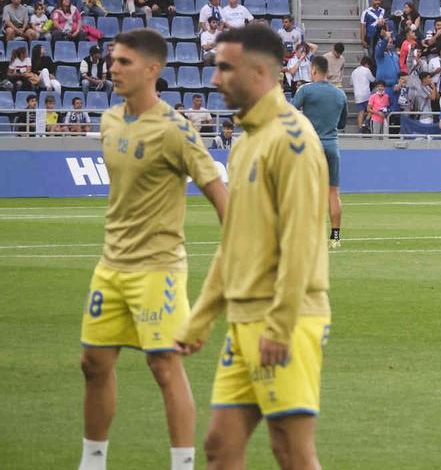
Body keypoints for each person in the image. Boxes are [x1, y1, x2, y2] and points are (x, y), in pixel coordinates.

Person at [174, 24, 331, 470]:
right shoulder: (244, 143)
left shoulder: (292, 140)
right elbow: (234, 243)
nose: (214, 78)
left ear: (260, 71)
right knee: (221, 447)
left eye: (225, 67)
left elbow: (302, 240)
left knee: (291, 452)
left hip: (286, 318)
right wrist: (199, 319)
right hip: (243, 320)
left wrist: (281, 324)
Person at [78, 29, 227, 470]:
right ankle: (93, 461)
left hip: (158, 269)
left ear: (152, 69)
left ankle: (182, 465)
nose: (113, 68)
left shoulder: (176, 129)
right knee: (93, 363)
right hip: (111, 266)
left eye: (123, 62)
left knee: (164, 368)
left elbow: (220, 196)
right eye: (112, 60)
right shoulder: (109, 121)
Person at [291, 56, 348, 247]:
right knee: (333, 193)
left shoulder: (306, 90)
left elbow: (290, 112)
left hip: (311, 145)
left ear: (313, 70)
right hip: (332, 145)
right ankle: (336, 237)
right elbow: (341, 123)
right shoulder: (340, 94)